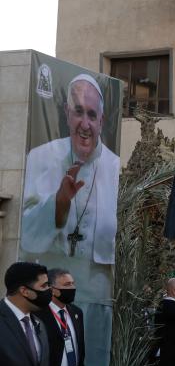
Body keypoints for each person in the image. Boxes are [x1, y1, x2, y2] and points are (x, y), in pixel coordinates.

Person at [20, 75, 120, 304]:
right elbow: (24, 234)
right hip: (50, 291)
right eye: (78, 111)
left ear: (101, 121)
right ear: (67, 112)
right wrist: (59, 203)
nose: (85, 124)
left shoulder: (114, 166)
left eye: (92, 115)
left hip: (98, 293)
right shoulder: (40, 156)